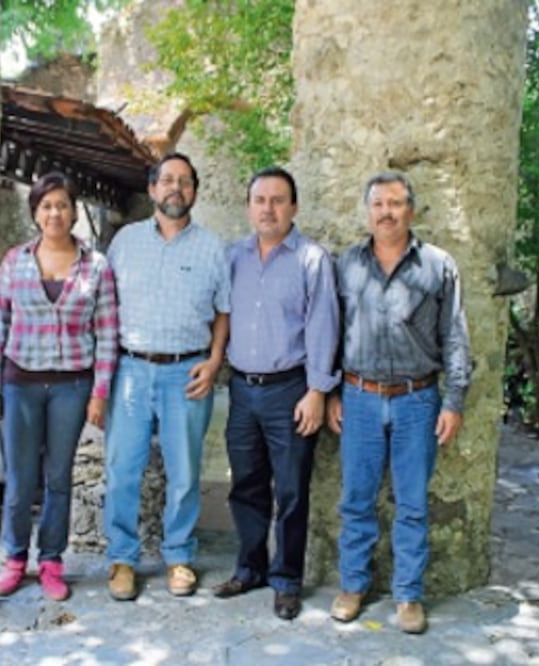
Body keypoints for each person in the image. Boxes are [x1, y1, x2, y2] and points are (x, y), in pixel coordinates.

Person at [327, 171, 470, 633]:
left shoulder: (438, 266)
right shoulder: (345, 265)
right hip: (359, 398)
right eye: (378, 204)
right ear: (368, 211)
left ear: (411, 209)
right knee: (356, 500)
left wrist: (454, 400)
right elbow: (330, 332)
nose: (386, 212)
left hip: (417, 400)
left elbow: (455, 336)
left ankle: (408, 595)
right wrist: (329, 392)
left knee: (412, 504)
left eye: (395, 203)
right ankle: (353, 586)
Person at [212, 167, 339, 620]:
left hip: (291, 390)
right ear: (249, 207)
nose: (268, 209)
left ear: (294, 207)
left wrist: (317, 391)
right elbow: (220, 316)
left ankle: (286, 580)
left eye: (278, 200)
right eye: (260, 200)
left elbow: (324, 326)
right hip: (243, 389)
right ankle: (250, 569)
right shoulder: (233, 257)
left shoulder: (311, 260)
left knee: (291, 490)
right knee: (245, 485)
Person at [103, 152, 231, 601]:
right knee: (122, 468)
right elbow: (104, 306)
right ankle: (122, 558)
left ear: (194, 191)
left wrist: (214, 361)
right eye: (168, 180)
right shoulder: (125, 242)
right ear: (153, 188)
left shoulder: (212, 248)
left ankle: (178, 555)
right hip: (130, 370)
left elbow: (224, 311)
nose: (176, 188)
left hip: (187, 371)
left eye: (185, 181)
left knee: (185, 471)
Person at [0, 171, 118, 601]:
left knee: (59, 477)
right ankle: (14, 558)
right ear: (35, 212)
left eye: (62, 204)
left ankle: (51, 561)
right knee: (20, 478)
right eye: (46, 205)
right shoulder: (15, 261)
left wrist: (99, 392)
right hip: (20, 383)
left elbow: (107, 333)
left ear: (74, 211)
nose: (55, 213)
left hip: (71, 387)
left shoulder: (95, 266)